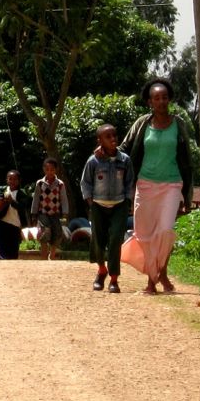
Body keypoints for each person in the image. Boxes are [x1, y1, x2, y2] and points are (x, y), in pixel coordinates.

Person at [120, 80, 193, 295]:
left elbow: (187, 158)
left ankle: (153, 281)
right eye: (156, 98)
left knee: (165, 231)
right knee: (145, 234)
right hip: (145, 185)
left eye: (164, 97)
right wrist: (105, 150)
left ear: (169, 99)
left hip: (171, 184)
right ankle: (159, 274)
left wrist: (187, 194)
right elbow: (125, 147)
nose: (161, 102)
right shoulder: (142, 123)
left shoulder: (179, 124)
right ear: (149, 102)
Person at [80, 123, 135, 294]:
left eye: (114, 136)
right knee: (98, 239)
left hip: (119, 205)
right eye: (108, 137)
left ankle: (114, 279)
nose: (113, 139)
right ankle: (101, 269)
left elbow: (129, 183)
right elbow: (86, 182)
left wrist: (127, 201)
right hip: (98, 205)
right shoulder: (93, 161)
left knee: (116, 239)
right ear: (100, 140)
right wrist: (90, 202)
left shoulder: (124, 160)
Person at [30, 157, 70, 260]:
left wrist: (65, 212)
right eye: (47, 169)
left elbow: (64, 199)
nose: (50, 172)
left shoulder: (60, 184)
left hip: (55, 213)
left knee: (57, 233)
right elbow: (36, 199)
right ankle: (43, 256)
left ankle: (51, 254)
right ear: (44, 169)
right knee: (45, 232)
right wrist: (34, 214)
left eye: (52, 170)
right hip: (43, 213)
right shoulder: (40, 183)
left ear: (56, 170)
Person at [0, 169, 30, 260]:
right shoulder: (1, 190)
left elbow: (23, 207)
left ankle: (12, 269)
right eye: (10, 179)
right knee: (2, 247)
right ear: (7, 180)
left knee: (13, 249)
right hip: (2, 223)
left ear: (19, 181)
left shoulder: (22, 194)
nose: (12, 181)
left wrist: (12, 202)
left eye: (15, 179)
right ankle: (2, 266)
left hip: (15, 225)